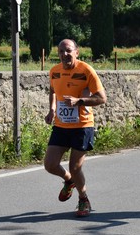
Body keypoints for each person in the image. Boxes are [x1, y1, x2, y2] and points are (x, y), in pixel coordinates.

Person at [43, 39, 107, 217]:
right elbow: (53, 91)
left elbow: (102, 98)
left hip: (82, 126)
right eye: (61, 51)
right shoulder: (54, 72)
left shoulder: (86, 71)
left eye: (68, 51)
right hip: (62, 125)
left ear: (77, 52)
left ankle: (83, 199)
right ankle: (69, 181)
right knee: (50, 165)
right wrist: (52, 109)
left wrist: (79, 101)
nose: (65, 54)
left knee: (75, 167)